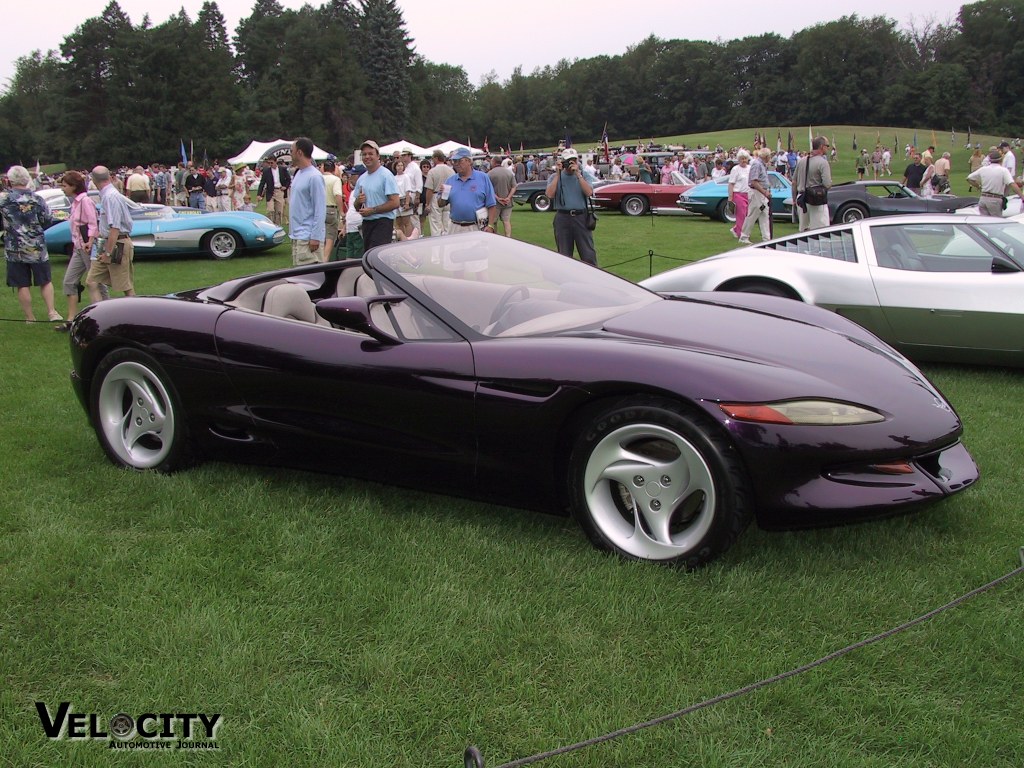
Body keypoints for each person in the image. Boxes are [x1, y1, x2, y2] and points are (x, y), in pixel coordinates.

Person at [0, 165, 61, 323]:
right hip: (37, 247)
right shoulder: (37, 199)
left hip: (14, 248)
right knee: (45, 280)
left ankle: (29, 317)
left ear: (10, 180)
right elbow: (47, 220)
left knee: (22, 284)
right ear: (27, 179)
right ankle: (52, 312)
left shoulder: (4, 200)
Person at [55, 170, 108, 331]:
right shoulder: (75, 203)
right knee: (69, 282)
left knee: (97, 282)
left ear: (74, 186)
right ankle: (71, 320)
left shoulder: (85, 201)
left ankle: (106, 317)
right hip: (78, 248)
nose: (62, 188)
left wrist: (90, 242)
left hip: (89, 247)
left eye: (64, 185)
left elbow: (93, 224)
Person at [86, 165, 135, 303]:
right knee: (91, 282)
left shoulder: (111, 197)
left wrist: (108, 254)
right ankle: (99, 316)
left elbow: (115, 228)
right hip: (104, 242)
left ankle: (135, 316)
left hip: (117, 243)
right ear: (109, 177)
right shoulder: (106, 195)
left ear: (93, 180)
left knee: (125, 286)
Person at [545, 148, 596, 266]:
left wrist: (578, 174)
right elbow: (549, 195)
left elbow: (589, 192)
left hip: (581, 217)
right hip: (562, 217)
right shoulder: (554, 177)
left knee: (588, 253)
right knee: (564, 254)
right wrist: (558, 174)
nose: (571, 164)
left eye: (573, 160)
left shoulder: (584, 175)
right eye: (568, 161)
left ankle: (593, 280)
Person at [352, 139, 400, 251]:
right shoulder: (362, 178)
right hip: (367, 223)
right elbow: (356, 206)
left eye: (370, 154)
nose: (367, 157)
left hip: (382, 223)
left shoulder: (386, 175)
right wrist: (358, 201)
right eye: (364, 154)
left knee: (377, 256)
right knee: (368, 257)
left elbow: (395, 202)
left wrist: (373, 210)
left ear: (378, 156)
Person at [440, 147, 497, 236]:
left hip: (476, 227)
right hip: (454, 227)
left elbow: (491, 204)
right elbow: (441, 204)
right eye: (454, 161)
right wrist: (443, 195)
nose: (456, 164)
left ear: (469, 161)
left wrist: (490, 225)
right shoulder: (450, 180)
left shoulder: (483, 178)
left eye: (460, 161)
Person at [287, 137, 326, 266]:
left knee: (310, 280)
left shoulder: (314, 176)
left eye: (291, 150)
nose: (290, 154)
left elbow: (320, 209)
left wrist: (315, 236)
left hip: (308, 237)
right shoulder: (298, 173)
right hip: (298, 236)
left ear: (299, 152)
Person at [967, 149, 1024, 216]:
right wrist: (1022, 196)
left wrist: (978, 186)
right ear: (1001, 160)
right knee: (996, 222)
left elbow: (969, 178)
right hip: (995, 199)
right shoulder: (1003, 170)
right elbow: (1012, 184)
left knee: (983, 222)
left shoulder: (983, 169)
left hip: (983, 198)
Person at [794, 136, 833, 232]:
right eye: (827, 146)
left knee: (803, 230)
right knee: (821, 229)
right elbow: (827, 184)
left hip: (801, 198)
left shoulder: (802, 161)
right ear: (821, 146)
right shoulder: (823, 162)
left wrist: (794, 199)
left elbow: (794, 182)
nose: (828, 148)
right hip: (816, 199)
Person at [739, 148, 772, 244]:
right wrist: (764, 192)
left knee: (764, 214)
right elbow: (753, 181)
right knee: (753, 214)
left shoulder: (762, 164)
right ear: (766, 156)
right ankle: (744, 237)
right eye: (769, 156)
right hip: (756, 193)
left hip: (762, 193)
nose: (770, 158)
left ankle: (767, 238)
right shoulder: (757, 164)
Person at [424, 149, 455, 237]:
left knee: (435, 224)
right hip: (448, 196)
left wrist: (428, 204)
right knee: (447, 223)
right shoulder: (451, 171)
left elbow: (429, 189)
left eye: (433, 158)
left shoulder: (432, 171)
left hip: (435, 195)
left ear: (436, 158)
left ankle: (437, 244)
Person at [488, 155, 518, 237]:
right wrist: (508, 197)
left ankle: (495, 238)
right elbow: (514, 186)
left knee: (493, 222)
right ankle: (508, 237)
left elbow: (488, 189)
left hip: (494, 204)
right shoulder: (509, 173)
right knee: (506, 221)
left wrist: (498, 198)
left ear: (493, 162)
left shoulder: (489, 174)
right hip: (507, 203)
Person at [321, 158, 344, 260]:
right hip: (330, 209)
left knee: (321, 235)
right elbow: (337, 195)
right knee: (330, 236)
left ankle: (319, 258)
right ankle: (325, 259)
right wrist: (342, 211)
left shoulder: (318, 178)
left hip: (319, 210)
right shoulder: (335, 180)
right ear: (334, 169)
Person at [256, 157, 289, 226]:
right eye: (269, 163)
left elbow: (288, 179)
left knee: (279, 211)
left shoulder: (282, 169)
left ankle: (278, 226)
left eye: (272, 163)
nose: (270, 164)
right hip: (270, 191)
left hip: (279, 191)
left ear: (275, 161)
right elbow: (262, 183)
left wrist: (285, 186)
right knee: (270, 210)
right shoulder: (266, 171)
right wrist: (259, 194)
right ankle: (270, 225)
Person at [727, 150, 751, 240]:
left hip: (748, 194)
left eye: (745, 159)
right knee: (741, 215)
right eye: (741, 159)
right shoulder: (735, 169)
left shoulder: (750, 168)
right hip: (738, 194)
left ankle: (736, 229)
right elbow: (731, 183)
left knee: (748, 215)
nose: (743, 160)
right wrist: (730, 197)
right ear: (739, 159)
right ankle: (742, 235)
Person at [393, 159, 417, 240]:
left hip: (404, 199)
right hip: (397, 200)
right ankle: (401, 238)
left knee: (406, 222)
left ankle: (409, 238)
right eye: (398, 166)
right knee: (398, 222)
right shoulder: (394, 178)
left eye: (401, 165)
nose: (400, 167)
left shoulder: (406, 177)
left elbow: (408, 190)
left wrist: (407, 203)